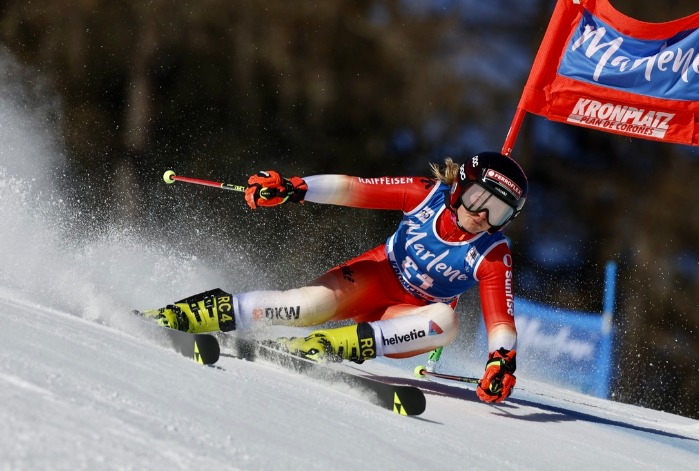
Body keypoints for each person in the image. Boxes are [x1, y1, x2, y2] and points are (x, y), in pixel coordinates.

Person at [142, 151, 527, 403]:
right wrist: (295, 188)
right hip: (374, 277)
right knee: (304, 307)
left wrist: (501, 361)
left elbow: (501, 321)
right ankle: (189, 314)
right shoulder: (424, 195)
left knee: (445, 321)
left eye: (498, 211)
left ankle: (324, 346)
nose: (482, 215)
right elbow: (353, 189)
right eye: (478, 199)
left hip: (403, 320)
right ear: (459, 188)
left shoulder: (493, 253)